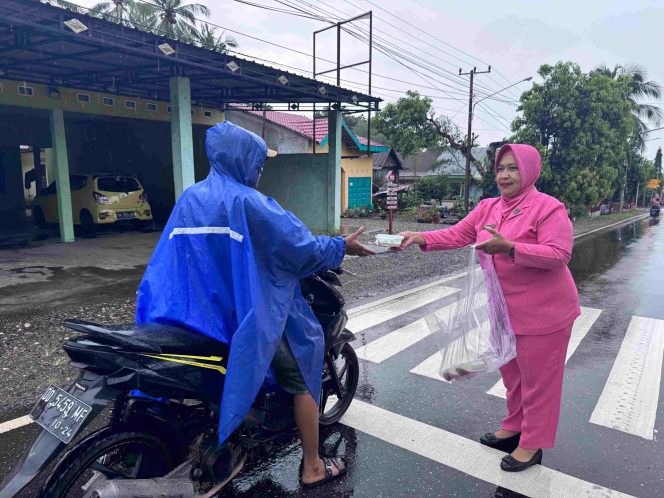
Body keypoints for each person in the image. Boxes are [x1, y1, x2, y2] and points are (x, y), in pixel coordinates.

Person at [136, 121, 374, 487]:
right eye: (258, 164)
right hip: (240, 316)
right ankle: (312, 465)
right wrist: (341, 246)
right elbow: (301, 249)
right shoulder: (249, 202)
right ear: (241, 159)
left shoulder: (190, 198)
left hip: (190, 313)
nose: (259, 172)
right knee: (302, 370)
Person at [398, 144, 580, 472]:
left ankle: (532, 443)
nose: (505, 175)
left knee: (539, 380)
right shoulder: (488, 208)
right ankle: (514, 426)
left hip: (545, 312)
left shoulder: (547, 208)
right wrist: (420, 236)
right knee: (512, 372)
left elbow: (559, 254)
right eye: (500, 169)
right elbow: (457, 234)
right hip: (502, 309)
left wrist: (510, 248)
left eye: (513, 168)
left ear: (529, 171)